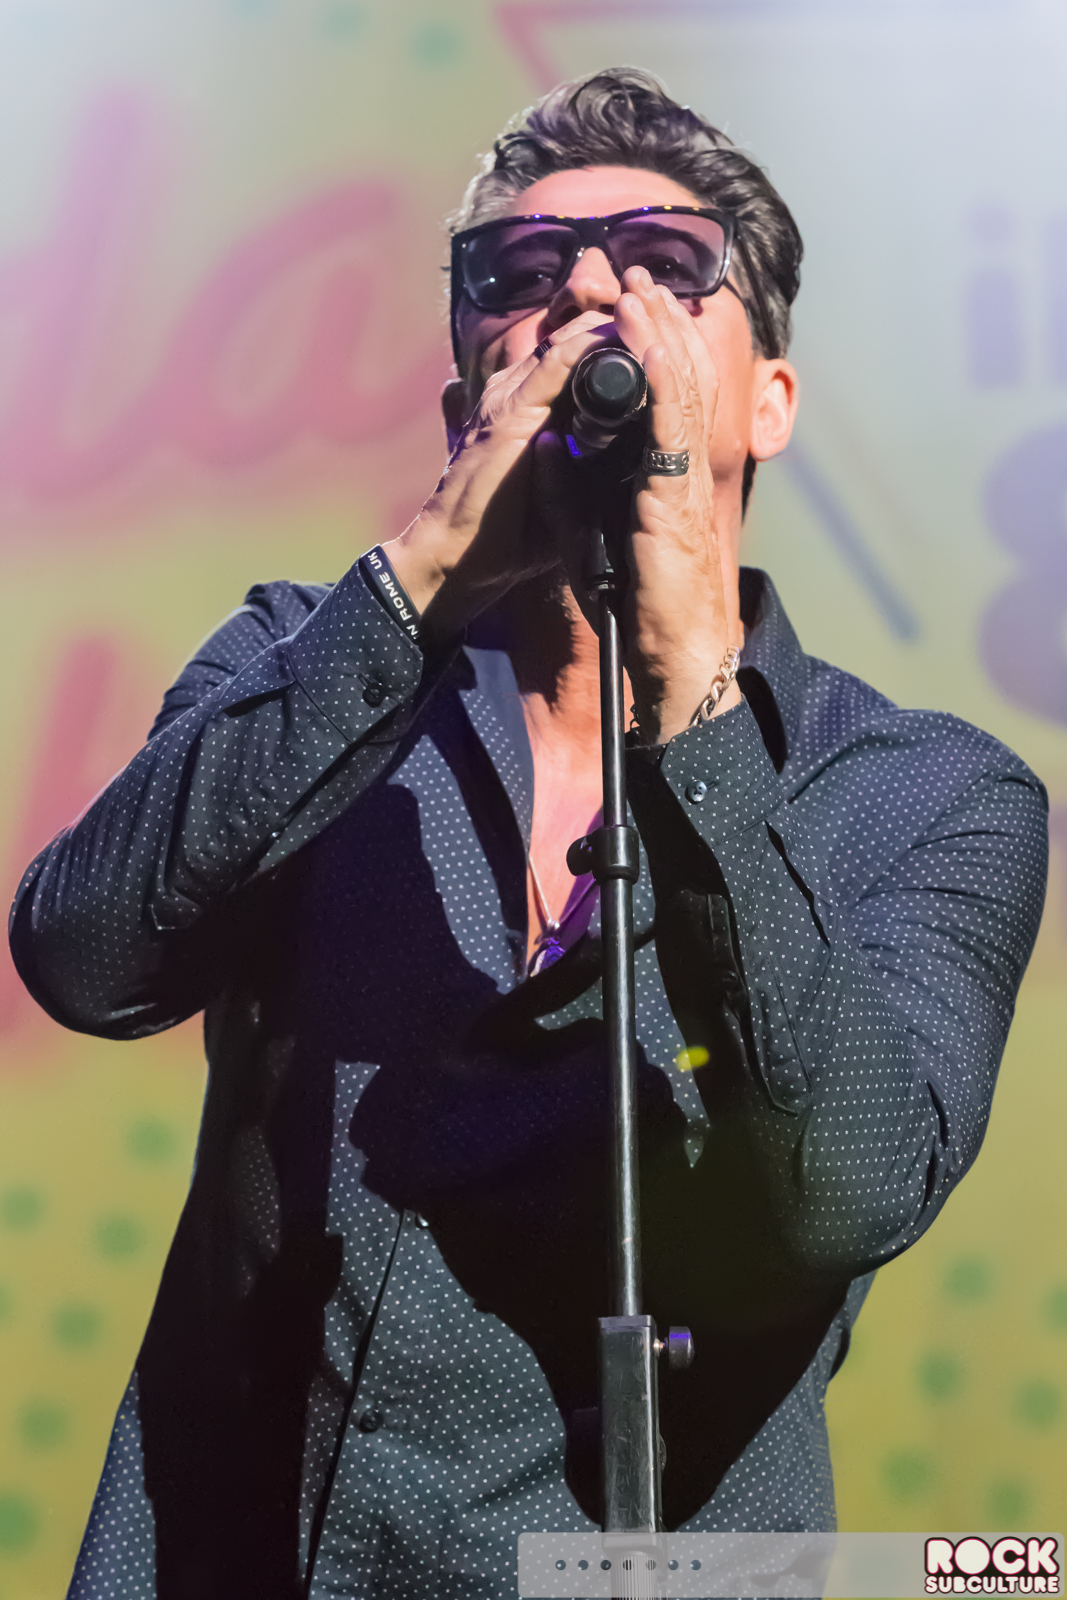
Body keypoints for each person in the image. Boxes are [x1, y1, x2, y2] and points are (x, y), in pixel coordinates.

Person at [9, 67, 1047, 1600]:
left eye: (668, 263)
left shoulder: (927, 795)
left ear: (769, 398)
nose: (590, 294)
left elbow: (843, 1191)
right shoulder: (303, 666)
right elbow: (85, 955)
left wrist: (693, 693)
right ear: (466, 391)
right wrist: (426, 568)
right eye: (521, 271)